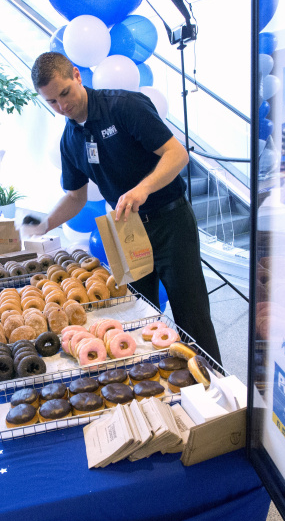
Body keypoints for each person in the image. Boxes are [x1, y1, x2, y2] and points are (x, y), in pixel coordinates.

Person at [26, 52, 223, 367]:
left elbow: (177, 155)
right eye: (52, 102)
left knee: (192, 316)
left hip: (169, 222)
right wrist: (46, 223)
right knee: (139, 315)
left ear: (77, 75)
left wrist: (143, 188)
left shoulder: (125, 106)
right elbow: (75, 197)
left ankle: (216, 387)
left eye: (65, 93)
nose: (62, 106)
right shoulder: (70, 141)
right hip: (126, 230)